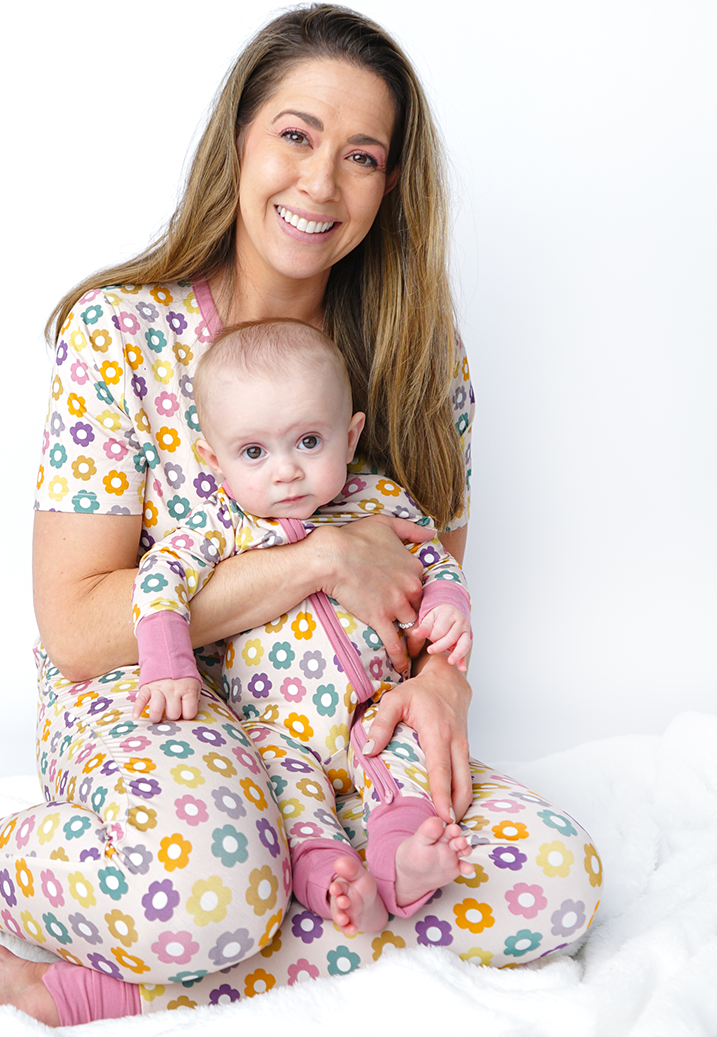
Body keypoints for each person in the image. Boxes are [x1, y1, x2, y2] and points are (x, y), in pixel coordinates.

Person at [0, 3, 603, 1035]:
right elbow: (78, 626)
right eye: (295, 136)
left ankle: (39, 988)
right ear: (241, 141)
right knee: (213, 887)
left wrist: (442, 685)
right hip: (153, 697)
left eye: (361, 156)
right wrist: (318, 561)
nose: (319, 183)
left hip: (337, 732)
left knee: (550, 884)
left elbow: (427, 589)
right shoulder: (121, 333)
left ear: (391, 185)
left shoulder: (418, 362)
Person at [132, 318, 476, 936]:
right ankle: (334, 884)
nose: (286, 471)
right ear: (214, 460)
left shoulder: (377, 503)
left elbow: (432, 558)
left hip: (374, 710)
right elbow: (160, 578)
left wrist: (447, 605)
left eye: (309, 441)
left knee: (405, 764)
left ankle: (403, 861)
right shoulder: (224, 529)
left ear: (350, 437)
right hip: (273, 729)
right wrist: (168, 664)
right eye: (255, 453)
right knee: (291, 803)